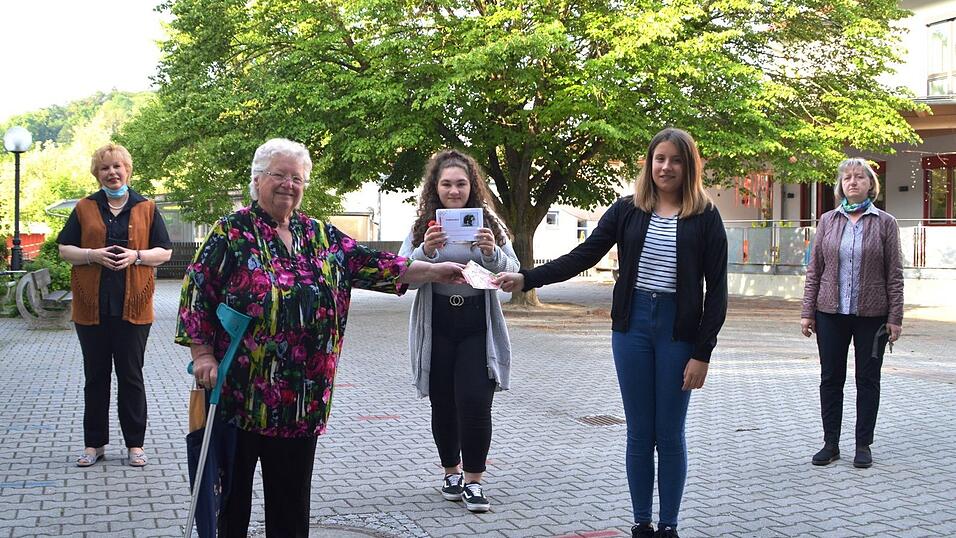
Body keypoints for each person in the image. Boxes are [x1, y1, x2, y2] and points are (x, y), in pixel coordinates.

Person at [175, 138, 465, 537]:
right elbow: (196, 294)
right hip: (241, 395)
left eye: (297, 178)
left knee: (291, 506)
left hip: (302, 398)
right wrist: (202, 353)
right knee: (231, 502)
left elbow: (380, 265)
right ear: (258, 179)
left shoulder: (320, 235)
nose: (288, 185)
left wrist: (435, 271)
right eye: (279, 175)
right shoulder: (231, 233)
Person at [495, 128, 727, 538]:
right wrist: (527, 278)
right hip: (632, 328)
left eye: (675, 160)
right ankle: (641, 523)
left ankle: (668, 526)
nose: (666, 167)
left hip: (678, 333)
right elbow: (582, 255)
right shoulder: (628, 210)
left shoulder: (705, 216)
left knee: (669, 432)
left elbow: (717, 292)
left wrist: (702, 353)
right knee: (640, 431)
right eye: (659, 158)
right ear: (649, 163)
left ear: (688, 166)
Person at [399, 149, 519, 513]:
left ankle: (474, 481)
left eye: (461, 184)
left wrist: (492, 251)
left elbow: (510, 272)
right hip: (437, 323)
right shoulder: (424, 226)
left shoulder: (489, 223)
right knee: (444, 403)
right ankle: (450, 474)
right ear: (436, 186)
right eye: (447, 184)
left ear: (472, 186)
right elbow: (402, 274)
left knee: (475, 403)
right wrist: (425, 250)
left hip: (475, 325)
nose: (454, 191)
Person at [57, 143, 173, 468]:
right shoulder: (83, 208)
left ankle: (135, 445)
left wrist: (136, 256)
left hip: (133, 308)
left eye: (117, 166)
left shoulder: (147, 208)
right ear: (97, 173)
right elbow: (65, 249)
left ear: (128, 170)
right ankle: (94, 444)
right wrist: (92, 255)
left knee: (131, 376)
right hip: (91, 308)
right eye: (105, 168)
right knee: (95, 377)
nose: (112, 172)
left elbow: (164, 252)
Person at [801, 158, 903, 469]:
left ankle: (863, 444)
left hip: (872, 315)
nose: (853, 182)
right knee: (831, 378)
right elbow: (815, 270)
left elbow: (894, 274)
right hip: (830, 313)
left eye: (860, 177)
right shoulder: (828, 221)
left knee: (867, 379)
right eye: (847, 178)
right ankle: (830, 443)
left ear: (871, 184)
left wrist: (895, 317)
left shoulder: (885, 222)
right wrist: (807, 312)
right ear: (840, 185)